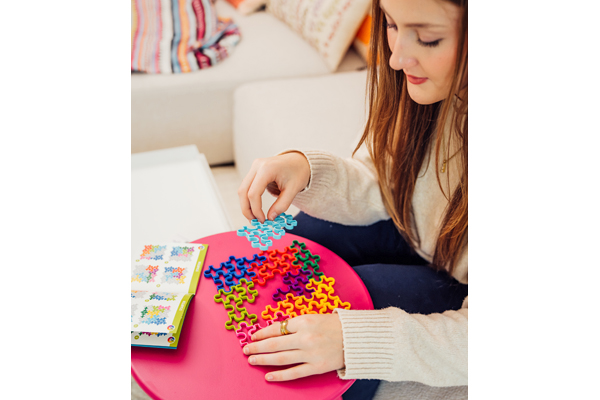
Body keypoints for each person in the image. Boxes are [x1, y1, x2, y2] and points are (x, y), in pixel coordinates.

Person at [237, 0, 468, 398]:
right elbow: (380, 179)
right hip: (420, 230)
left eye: (429, 39)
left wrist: (354, 341)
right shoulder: (419, 86)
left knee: (343, 305)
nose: (395, 59)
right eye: (391, 25)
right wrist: (306, 170)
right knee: (298, 244)